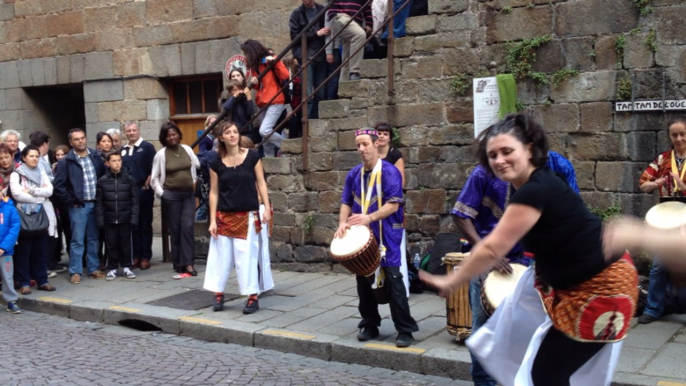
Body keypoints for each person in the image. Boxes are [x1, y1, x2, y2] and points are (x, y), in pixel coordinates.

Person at [420, 113, 638, 386]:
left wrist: (452, 280)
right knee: (540, 366)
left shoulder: (535, 190)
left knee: (547, 373)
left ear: (530, 149)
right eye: (493, 155)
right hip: (576, 285)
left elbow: (492, 247)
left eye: (507, 151)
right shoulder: (538, 183)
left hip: (602, 290)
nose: (499, 160)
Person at [334, 128, 418, 348]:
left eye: (365, 145)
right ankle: (370, 324)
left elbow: (394, 204)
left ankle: (405, 329)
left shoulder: (389, 172)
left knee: (393, 278)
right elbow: (346, 201)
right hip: (363, 233)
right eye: (358, 146)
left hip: (387, 231)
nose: (361, 149)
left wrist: (369, 217)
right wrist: (343, 223)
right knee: (363, 277)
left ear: (375, 145)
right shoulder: (354, 174)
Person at [203, 121, 273, 314]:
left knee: (246, 257)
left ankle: (252, 296)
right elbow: (214, 192)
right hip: (223, 215)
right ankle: (218, 293)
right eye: (228, 132)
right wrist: (212, 220)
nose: (233, 135)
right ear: (221, 138)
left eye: (235, 131)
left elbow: (261, 183)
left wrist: (266, 207)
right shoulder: (216, 163)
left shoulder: (252, 156)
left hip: (247, 215)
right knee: (221, 257)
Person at [635, 117, 686, 324]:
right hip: (666, 218)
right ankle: (653, 309)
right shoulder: (663, 159)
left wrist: (683, 187)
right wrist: (655, 183)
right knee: (658, 264)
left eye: (683, 134)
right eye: (674, 135)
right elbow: (643, 185)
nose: (679, 138)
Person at [53, 128, 107, 284]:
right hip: (78, 206)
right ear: (71, 142)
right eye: (76, 139)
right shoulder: (66, 162)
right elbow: (59, 186)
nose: (81, 141)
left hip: (95, 204)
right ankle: (75, 271)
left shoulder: (95, 157)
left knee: (93, 238)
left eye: (83, 138)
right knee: (77, 239)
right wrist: (71, 201)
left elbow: (102, 178)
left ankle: (93, 268)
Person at [151, 122, 200, 278]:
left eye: (174, 134)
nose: (172, 137)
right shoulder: (161, 154)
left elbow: (196, 165)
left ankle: (189, 263)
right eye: (168, 135)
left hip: (188, 194)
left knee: (187, 226)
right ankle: (178, 262)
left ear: (178, 135)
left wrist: (193, 178)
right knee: (175, 228)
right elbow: (154, 178)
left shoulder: (187, 149)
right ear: (164, 138)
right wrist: (162, 193)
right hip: (171, 195)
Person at [11, 146, 57, 294]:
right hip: (24, 217)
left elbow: (49, 191)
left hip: (40, 216)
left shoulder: (42, 173)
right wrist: (40, 196)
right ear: (24, 158)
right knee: (24, 252)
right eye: (31, 156)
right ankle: (24, 282)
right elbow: (18, 195)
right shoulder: (16, 175)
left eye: (37, 156)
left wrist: (31, 191)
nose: (35, 159)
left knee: (41, 251)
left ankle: (42, 280)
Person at [374, 122, 410, 296]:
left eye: (385, 134)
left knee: (394, 248)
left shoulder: (395, 155)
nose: (381, 136)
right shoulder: (371, 155)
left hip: (391, 206)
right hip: (373, 205)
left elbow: (400, 182)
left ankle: (399, 287)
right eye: (379, 133)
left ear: (389, 137)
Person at [241, 39, 290, 157]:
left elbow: (285, 75)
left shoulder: (270, 58)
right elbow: (259, 85)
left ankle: (288, 145)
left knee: (264, 131)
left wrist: (275, 62)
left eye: (246, 53)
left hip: (275, 100)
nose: (245, 56)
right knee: (266, 138)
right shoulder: (255, 65)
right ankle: (270, 163)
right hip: (262, 101)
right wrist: (254, 81)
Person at [95, 152, 138, 281]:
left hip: (125, 217)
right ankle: (112, 268)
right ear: (107, 163)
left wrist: (134, 217)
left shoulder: (129, 180)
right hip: (109, 218)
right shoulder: (102, 181)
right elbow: (99, 203)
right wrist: (100, 220)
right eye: (113, 161)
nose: (117, 163)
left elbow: (134, 201)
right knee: (111, 243)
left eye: (119, 160)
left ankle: (126, 267)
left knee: (126, 243)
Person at [121, 121, 156, 270]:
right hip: (129, 192)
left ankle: (145, 257)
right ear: (125, 133)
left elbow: (153, 168)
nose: (131, 133)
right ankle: (136, 256)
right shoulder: (122, 149)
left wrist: (146, 185)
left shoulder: (147, 147)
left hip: (143, 190)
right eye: (128, 131)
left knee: (144, 224)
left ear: (138, 131)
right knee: (133, 225)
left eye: (133, 130)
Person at [290, 0, 330, 119]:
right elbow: (295, 37)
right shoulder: (297, 14)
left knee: (321, 93)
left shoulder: (322, 10)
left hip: (321, 56)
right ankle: (306, 125)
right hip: (306, 58)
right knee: (307, 94)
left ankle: (316, 122)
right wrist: (315, 34)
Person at [327, 0, 372, 82]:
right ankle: (355, 71)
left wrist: (369, 24)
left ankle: (343, 91)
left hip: (354, 21)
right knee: (359, 34)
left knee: (347, 60)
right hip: (340, 16)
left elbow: (366, 6)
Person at [0, 188, 21, 314]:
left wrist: (3, 247)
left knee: (7, 277)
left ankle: (11, 301)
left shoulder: (10, 208)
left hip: (5, 251)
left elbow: (14, 229)